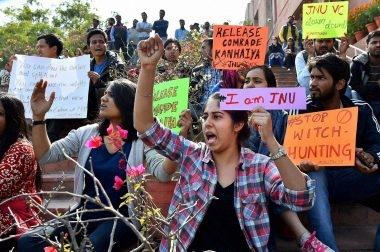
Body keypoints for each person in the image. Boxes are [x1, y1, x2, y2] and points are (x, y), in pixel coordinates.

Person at [134, 34, 315, 251]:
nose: (207, 123)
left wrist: (271, 142)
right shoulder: (191, 155)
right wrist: (147, 68)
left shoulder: (261, 166)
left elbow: (301, 199)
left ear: (238, 125)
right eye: (205, 116)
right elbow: (145, 126)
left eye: (217, 117)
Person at [18, 78, 174, 252]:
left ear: (128, 102)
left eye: (111, 95)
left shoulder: (141, 140)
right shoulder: (87, 133)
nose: (103, 98)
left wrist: (175, 148)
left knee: (90, 248)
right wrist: (38, 117)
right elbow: (46, 155)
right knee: (29, 241)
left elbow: (162, 172)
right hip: (84, 214)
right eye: (105, 93)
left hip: (121, 219)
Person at [244, 65, 333, 251]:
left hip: (272, 180)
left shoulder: (282, 116)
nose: (250, 85)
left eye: (257, 81)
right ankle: (305, 237)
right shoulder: (232, 117)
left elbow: (287, 154)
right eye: (246, 81)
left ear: (271, 90)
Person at [297, 53, 380, 251]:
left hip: (352, 178)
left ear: (340, 84)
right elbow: (286, 150)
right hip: (312, 184)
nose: (313, 83)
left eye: (320, 78)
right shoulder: (299, 111)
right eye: (312, 77)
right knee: (315, 172)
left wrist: (371, 157)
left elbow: (377, 144)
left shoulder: (362, 110)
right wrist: (300, 164)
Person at [0, 94, 42, 251]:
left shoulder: (22, 148)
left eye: (0, 114)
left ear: (13, 119)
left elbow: (1, 186)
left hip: (12, 221)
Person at [87, 29, 126, 121]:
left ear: (106, 44)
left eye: (101, 42)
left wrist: (99, 83)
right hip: (90, 114)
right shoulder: (85, 67)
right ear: (89, 47)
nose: (97, 45)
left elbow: (121, 91)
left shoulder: (117, 64)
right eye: (94, 42)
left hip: (111, 115)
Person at [348, 30, 380, 122]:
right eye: (374, 42)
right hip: (365, 100)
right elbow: (353, 88)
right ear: (367, 46)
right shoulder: (358, 63)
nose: (378, 45)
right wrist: (376, 85)